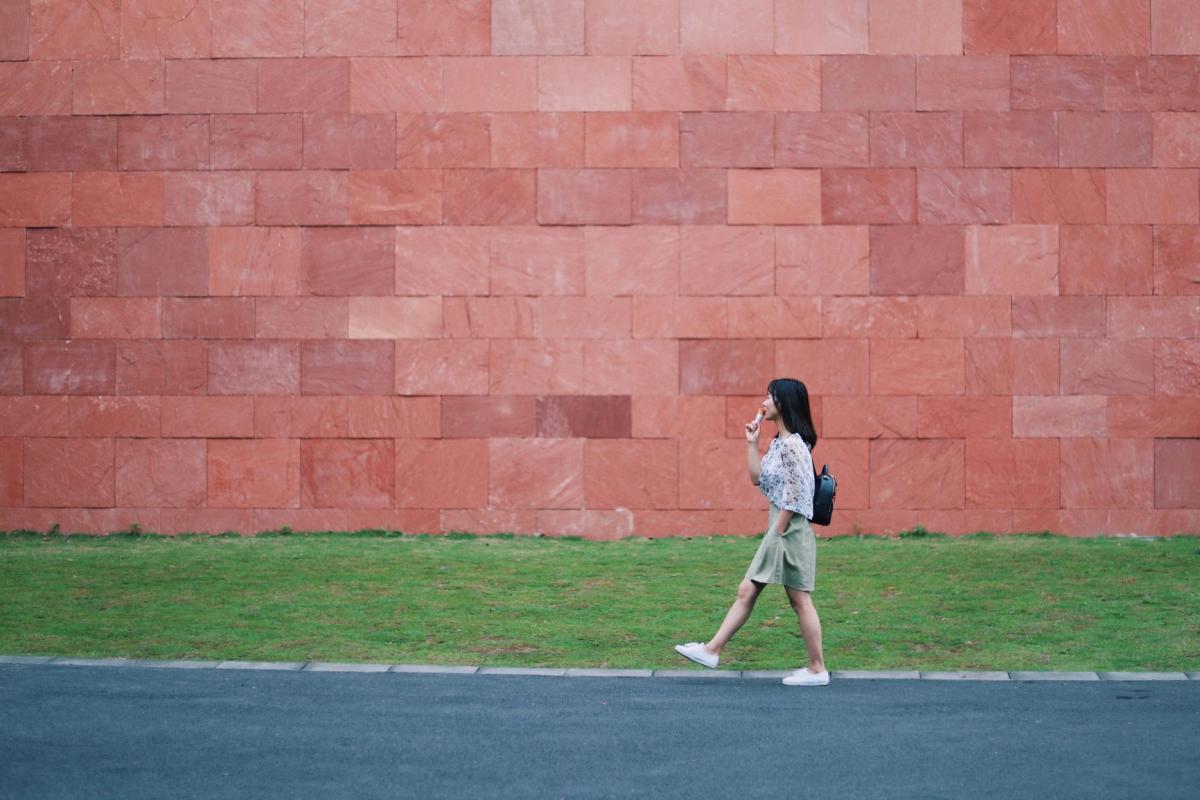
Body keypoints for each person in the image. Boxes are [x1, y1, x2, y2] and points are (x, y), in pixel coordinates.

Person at [674, 378, 829, 687]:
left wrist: (779, 529)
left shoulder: (794, 445)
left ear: (783, 403)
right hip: (783, 525)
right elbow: (758, 480)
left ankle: (815, 669)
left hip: (789, 528)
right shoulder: (778, 444)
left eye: (769, 396)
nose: (764, 401)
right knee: (770, 594)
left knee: (792, 598)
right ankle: (714, 650)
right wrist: (751, 444)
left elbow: (798, 495)